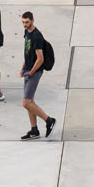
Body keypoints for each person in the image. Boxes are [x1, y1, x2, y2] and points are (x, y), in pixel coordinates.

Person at [17, 11, 56, 139]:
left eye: (27, 22)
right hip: (28, 69)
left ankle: (49, 120)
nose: (25, 24)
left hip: (35, 71)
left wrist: (31, 72)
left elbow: (40, 59)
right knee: (30, 101)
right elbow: (27, 52)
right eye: (23, 22)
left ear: (33, 21)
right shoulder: (27, 32)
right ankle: (34, 130)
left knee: (26, 102)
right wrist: (23, 67)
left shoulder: (37, 36)